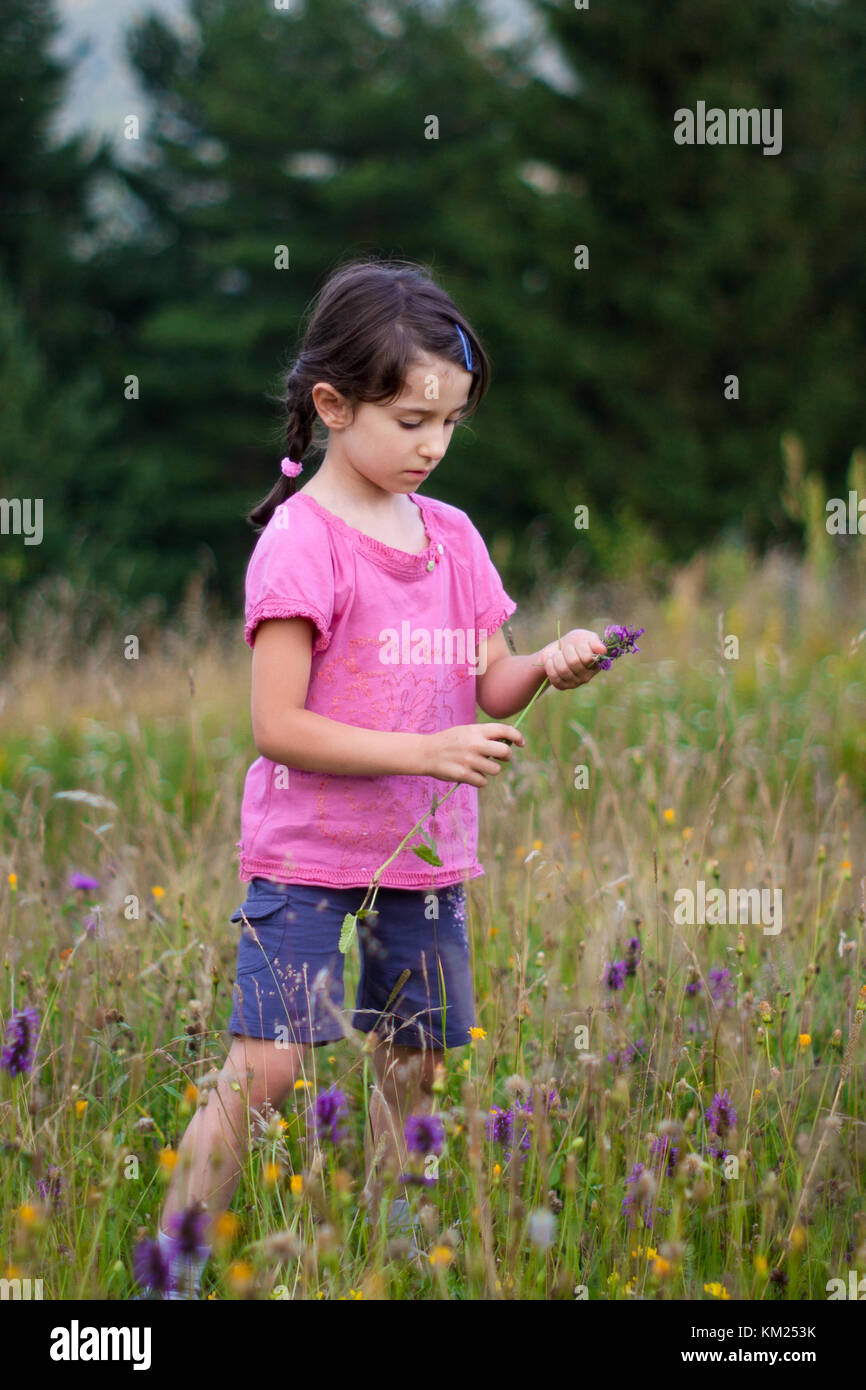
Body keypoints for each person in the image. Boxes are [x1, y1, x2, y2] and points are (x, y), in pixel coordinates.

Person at [147, 257, 606, 1297]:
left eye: (448, 423)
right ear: (331, 404)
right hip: (309, 852)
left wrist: (549, 665)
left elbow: (489, 685)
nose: (432, 445)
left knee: (414, 1066)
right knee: (266, 1069)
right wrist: (422, 752)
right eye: (409, 420)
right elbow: (277, 725)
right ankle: (164, 1276)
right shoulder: (302, 547)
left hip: (425, 856)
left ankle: (396, 1254)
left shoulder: (451, 537)